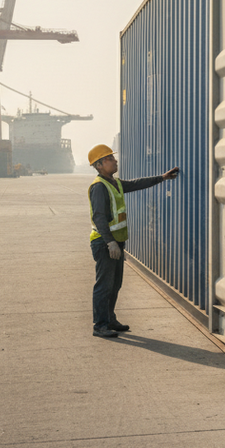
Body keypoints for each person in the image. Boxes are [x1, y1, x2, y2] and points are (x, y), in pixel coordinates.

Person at [86, 144, 179, 338]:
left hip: (116, 242)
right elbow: (99, 217)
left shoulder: (115, 183)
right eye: (110, 158)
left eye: (113, 157)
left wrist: (162, 177)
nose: (115, 160)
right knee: (104, 285)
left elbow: (137, 183)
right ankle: (100, 325)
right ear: (100, 164)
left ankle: (110, 319)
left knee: (115, 284)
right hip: (104, 243)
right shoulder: (99, 187)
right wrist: (110, 243)